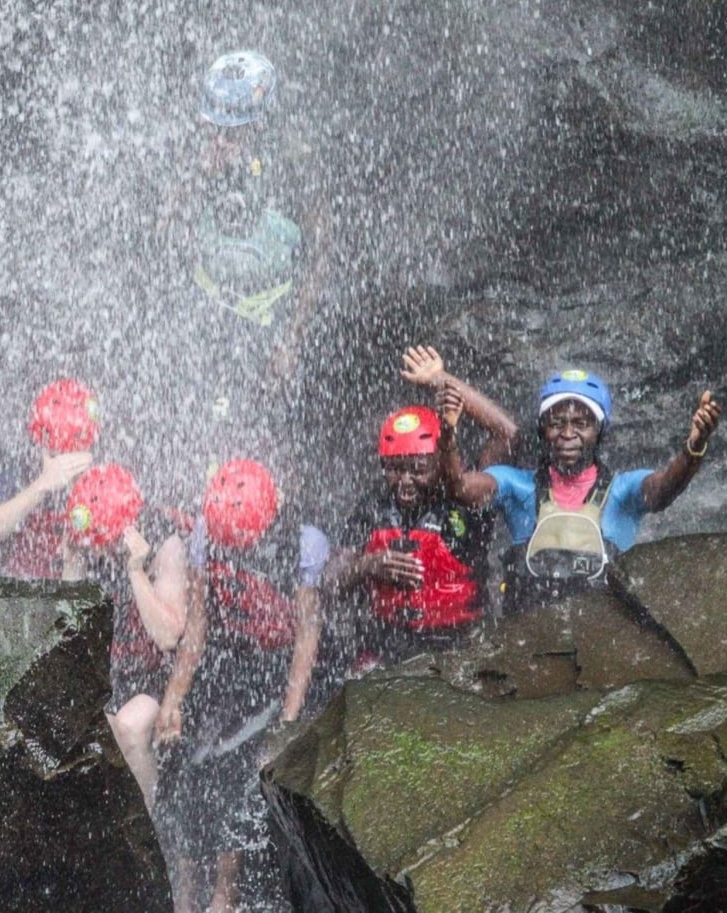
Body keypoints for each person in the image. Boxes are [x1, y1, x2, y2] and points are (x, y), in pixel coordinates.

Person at [151, 51, 333, 501]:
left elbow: (321, 255)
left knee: (265, 424)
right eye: (218, 125)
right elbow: (161, 232)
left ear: (262, 119)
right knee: (193, 417)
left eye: (236, 127)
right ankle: (190, 505)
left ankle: (258, 516)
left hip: (269, 315)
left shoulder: (295, 160)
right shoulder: (196, 153)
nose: (225, 135)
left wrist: (291, 339)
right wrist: (200, 173)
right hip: (206, 307)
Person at [154, 458, 327, 913]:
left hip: (273, 669)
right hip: (224, 661)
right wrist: (174, 698)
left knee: (235, 766)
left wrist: (290, 717)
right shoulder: (205, 536)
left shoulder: (303, 543)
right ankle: (185, 890)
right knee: (183, 759)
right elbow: (197, 626)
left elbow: (306, 637)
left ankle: (224, 894)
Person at [440, 369, 723, 613]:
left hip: (601, 648)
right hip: (527, 646)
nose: (567, 434)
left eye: (581, 424)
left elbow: (663, 491)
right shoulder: (517, 486)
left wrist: (694, 448)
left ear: (599, 431)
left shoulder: (623, 492)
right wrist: (448, 434)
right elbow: (459, 489)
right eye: (556, 423)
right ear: (542, 430)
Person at [325, 346, 517, 676]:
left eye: (418, 468)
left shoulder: (466, 495)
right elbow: (330, 583)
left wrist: (441, 381)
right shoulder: (373, 506)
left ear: (441, 461)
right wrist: (368, 564)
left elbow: (507, 434)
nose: (405, 481)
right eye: (395, 469)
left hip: (458, 644)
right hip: (388, 646)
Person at [64, 462, 188, 812]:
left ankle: (141, 825)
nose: (100, 555)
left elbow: (167, 635)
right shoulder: (87, 542)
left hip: (156, 672)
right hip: (108, 666)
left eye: (106, 546)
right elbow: (67, 624)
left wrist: (136, 571)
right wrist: (72, 561)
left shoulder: (167, 543)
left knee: (130, 729)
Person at [0, 378, 100, 579]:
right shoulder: (15, 471)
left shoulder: (102, 483)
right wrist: (42, 485)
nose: (67, 462)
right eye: (57, 454)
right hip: (11, 593)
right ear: (40, 443)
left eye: (75, 452)